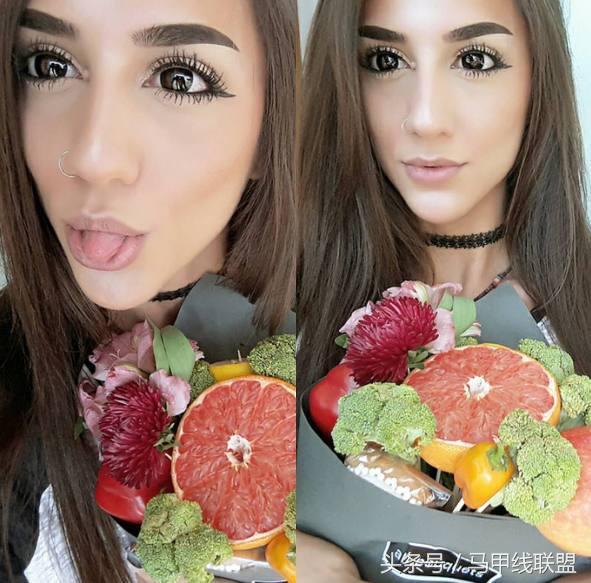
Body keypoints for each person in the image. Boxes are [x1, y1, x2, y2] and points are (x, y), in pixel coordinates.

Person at [0, 1, 297, 581]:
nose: (93, 158)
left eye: (178, 78)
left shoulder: (353, 353)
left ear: (269, 130)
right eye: (50, 65)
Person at [297, 0, 591, 581]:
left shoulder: (577, 310)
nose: (426, 118)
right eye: (385, 60)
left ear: (539, 77)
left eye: (475, 59)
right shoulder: (281, 304)